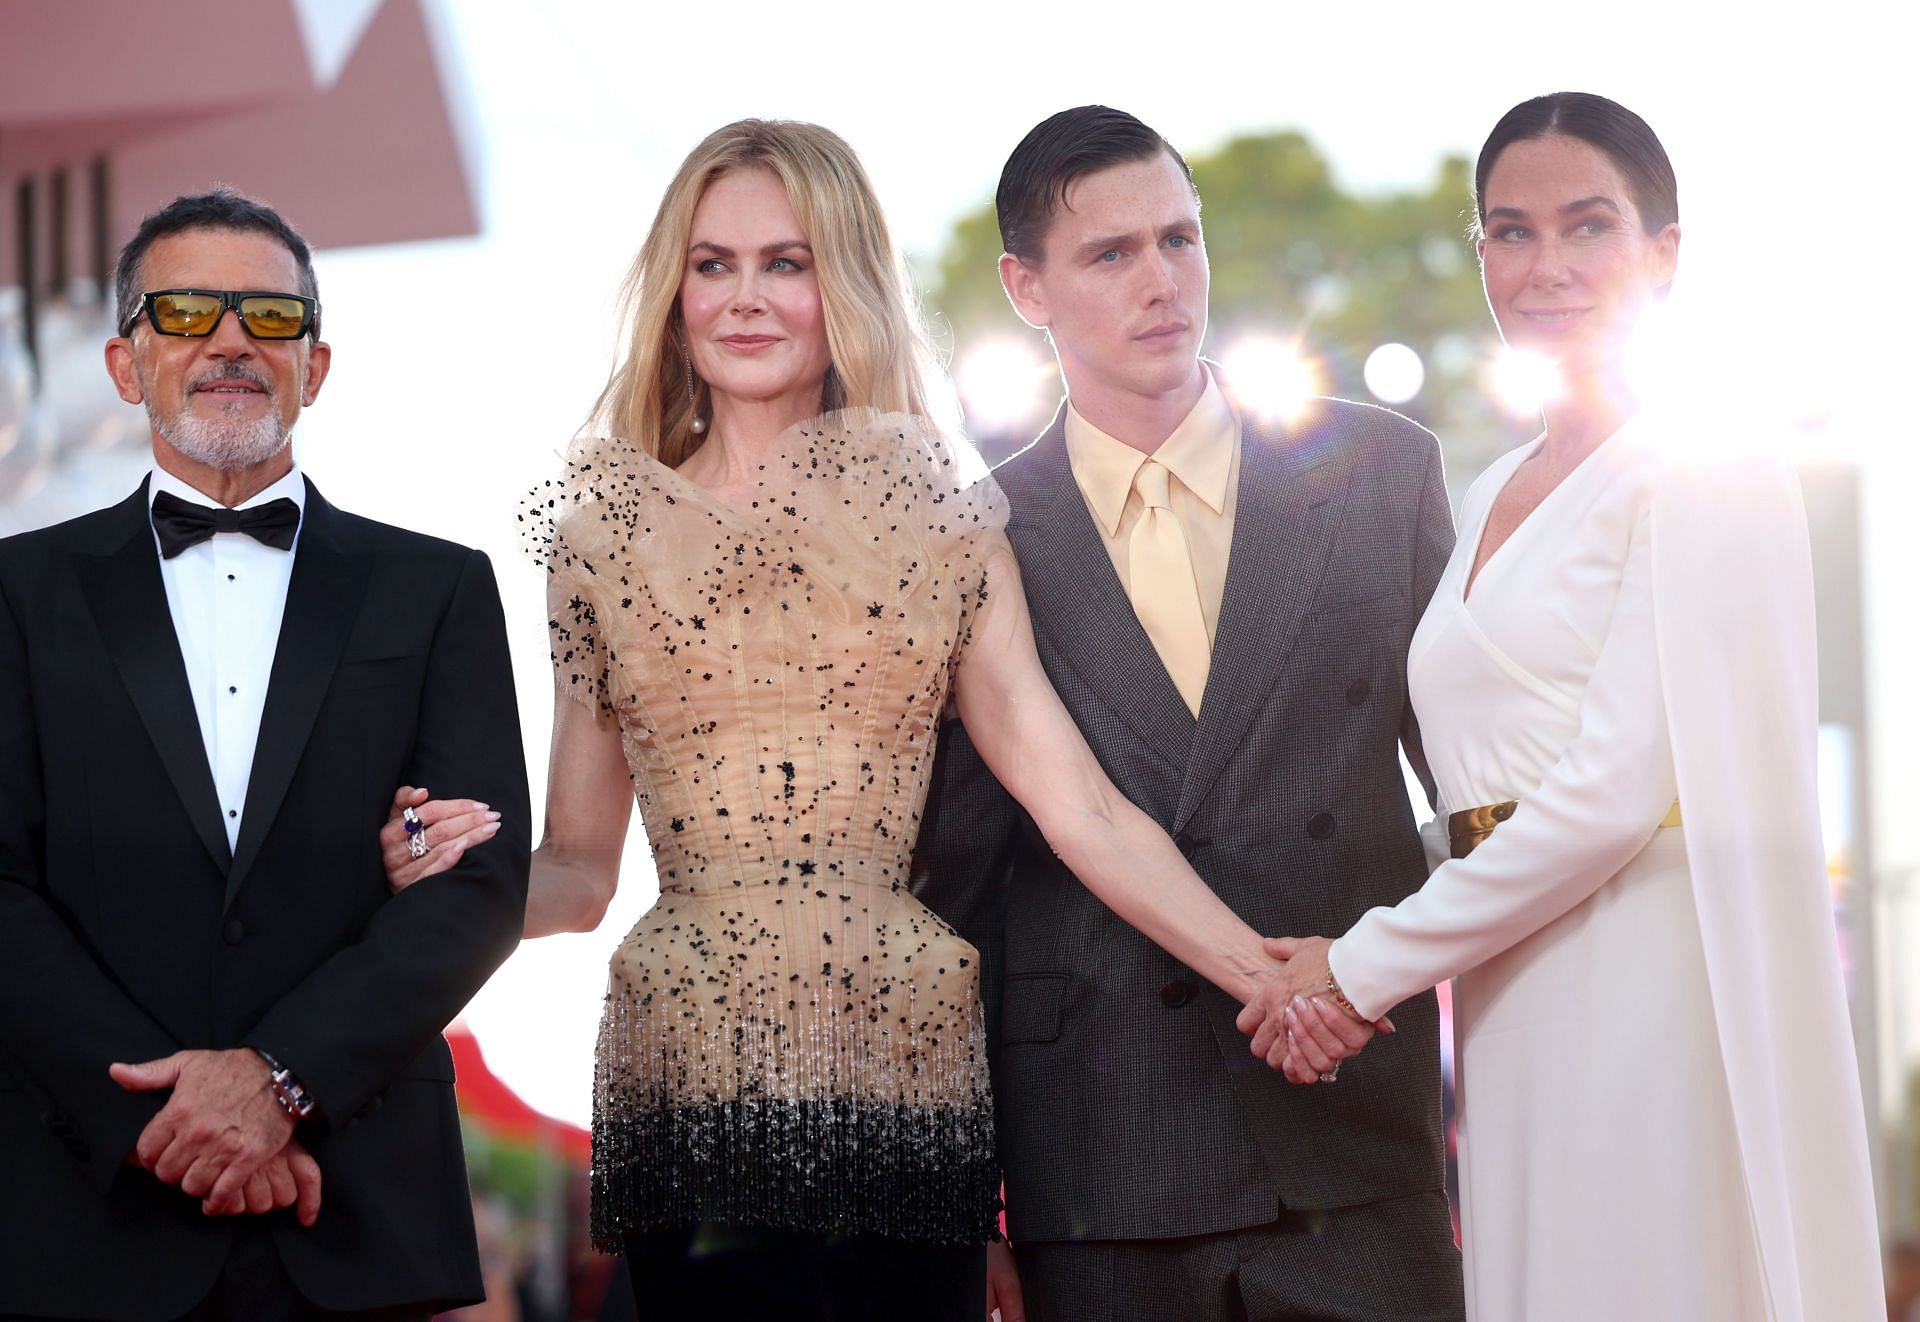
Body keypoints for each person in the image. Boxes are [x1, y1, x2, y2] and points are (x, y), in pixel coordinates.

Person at [385, 119, 1305, 1321]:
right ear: (674, 293)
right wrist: (438, 873)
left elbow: (1075, 800)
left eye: (788, 261)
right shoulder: (601, 537)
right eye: (713, 264)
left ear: (844, 282)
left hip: (904, 1073)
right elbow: (574, 871)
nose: (746, 299)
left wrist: (1269, 975)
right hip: (690, 1071)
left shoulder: (939, 507)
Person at [1258, 92, 1886, 1320]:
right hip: (1510, 988)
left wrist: (1357, 967)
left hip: (1649, 973)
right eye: (1510, 231)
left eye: (1587, 225)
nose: (1544, 266)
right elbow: (1472, 786)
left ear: (1664, 253)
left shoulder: (1709, 462)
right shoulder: (1490, 483)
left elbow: (1607, 794)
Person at [912, 106, 1464, 1322]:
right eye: (1110, 254)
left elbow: (1470, 798)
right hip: (1102, 1157)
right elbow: (949, 896)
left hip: (1356, 1132)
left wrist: (1400, 986)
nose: (1161, 280)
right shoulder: (973, 537)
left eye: (1179, 238)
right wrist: (965, 1205)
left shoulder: (1382, 472)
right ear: (1025, 288)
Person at [0, 190, 531, 1320]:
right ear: (125, 360)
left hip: (355, 1206)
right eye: (187, 310)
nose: (232, 340)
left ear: (318, 364)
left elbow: (481, 881)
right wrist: (161, 1120)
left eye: (270, 318)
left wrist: (282, 1083)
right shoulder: (15, 593)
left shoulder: (440, 589)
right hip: (80, 1214)